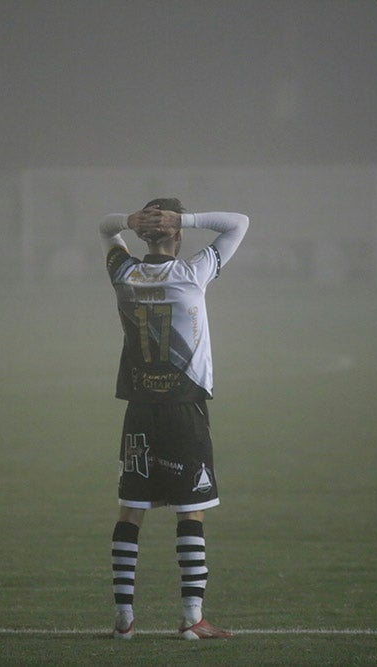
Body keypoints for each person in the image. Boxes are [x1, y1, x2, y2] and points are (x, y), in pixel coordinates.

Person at [98, 198, 249, 640]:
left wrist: (128, 221)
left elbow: (105, 228)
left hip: (140, 409)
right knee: (191, 512)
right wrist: (185, 219)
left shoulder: (123, 274)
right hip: (184, 409)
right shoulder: (192, 273)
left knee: (131, 510)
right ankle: (191, 617)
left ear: (143, 233)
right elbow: (239, 222)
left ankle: (124, 619)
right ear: (178, 236)